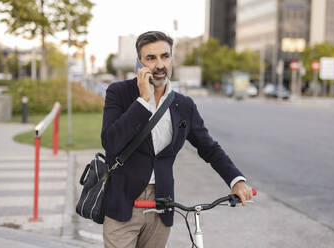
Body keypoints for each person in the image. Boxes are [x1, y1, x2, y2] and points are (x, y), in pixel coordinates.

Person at [101, 31, 254, 248]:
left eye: (165, 56)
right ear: (140, 62)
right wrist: (143, 102)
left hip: (162, 205)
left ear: (172, 58)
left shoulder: (184, 105)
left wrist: (236, 180)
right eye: (151, 58)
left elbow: (209, 147)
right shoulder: (119, 93)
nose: (159, 64)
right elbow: (111, 142)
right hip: (123, 203)